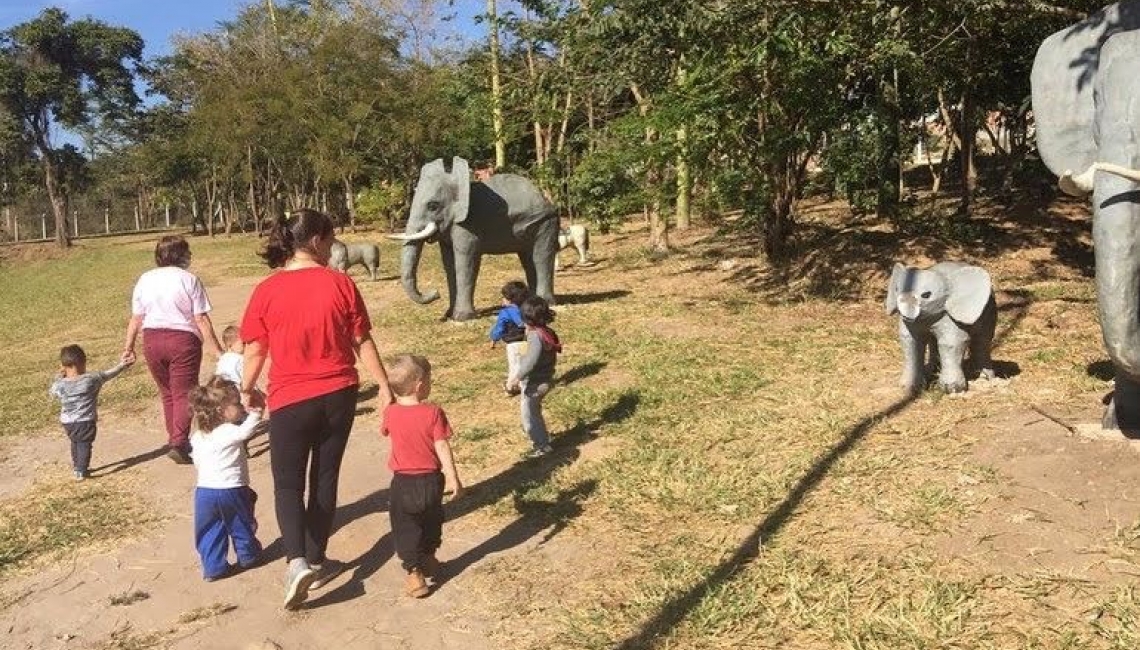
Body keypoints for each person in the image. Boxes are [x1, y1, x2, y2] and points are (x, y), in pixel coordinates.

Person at [239, 208, 394, 610]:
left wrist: (246, 389)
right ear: (315, 241)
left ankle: (296, 563)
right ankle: (317, 556)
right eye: (331, 239)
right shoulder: (341, 284)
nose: (333, 246)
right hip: (339, 394)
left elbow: (255, 349)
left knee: (288, 485)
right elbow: (362, 341)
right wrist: (384, 386)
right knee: (325, 478)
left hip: (291, 400)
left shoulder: (266, 290)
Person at [122, 235, 224, 465]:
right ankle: (178, 442)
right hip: (183, 341)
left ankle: (176, 439)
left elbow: (136, 318)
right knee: (184, 394)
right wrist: (217, 351)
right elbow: (201, 319)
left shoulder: (145, 279)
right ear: (181, 255)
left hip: (152, 340)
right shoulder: (189, 279)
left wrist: (128, 347)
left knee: (167, 393)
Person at [381, 354, 463, 598]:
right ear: (419, 385)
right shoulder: (433, 412)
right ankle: (429, 558)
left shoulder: (390, 412)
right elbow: (442, 446)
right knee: (431, 519)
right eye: (429, 380)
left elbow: (384, 430)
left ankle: (414, 572)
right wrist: (452, 476)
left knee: (405, 526)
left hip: (402, 482)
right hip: (430, 480)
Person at [188, 377, 263, 581]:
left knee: (210, 529)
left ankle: (213, 567)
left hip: (204, 491)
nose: (241, 407)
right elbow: (246, 431)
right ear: (221, 411)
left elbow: (195, 458)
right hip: (231, 487)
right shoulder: (228, 430)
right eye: (237, 404)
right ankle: (248, 556)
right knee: (241, 523)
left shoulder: (198, 436)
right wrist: (257, 412)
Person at [49, 344, 133, 480]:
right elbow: (108, 374)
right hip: (85, 420)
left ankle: (77, 466)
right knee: (84, 444)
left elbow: (53, 391)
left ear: (64, 365)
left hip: (67, 421)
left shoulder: (60, 384)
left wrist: (60, 376)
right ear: (83, 362)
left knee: (75, 442)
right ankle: (81, 470)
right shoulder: (91, 380)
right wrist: (122, 365)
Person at [507, 296, 562, 458]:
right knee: (534, 413)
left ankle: (542, 446)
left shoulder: (535, 337)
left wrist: (517, 377)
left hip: (535, 384)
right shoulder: (546, 331)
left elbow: (530, 361)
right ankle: (541, 437)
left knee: (529, 417)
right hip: (545, 379)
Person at [489, 280, 529, 396]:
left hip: (513, 344)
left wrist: (494, 338)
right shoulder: (527, 309)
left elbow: (499, 328)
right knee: (524, 363)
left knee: (514, 366)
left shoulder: (505, 312)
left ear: (509, 299)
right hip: (527, 341)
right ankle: (524, 383)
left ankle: (511, 386)